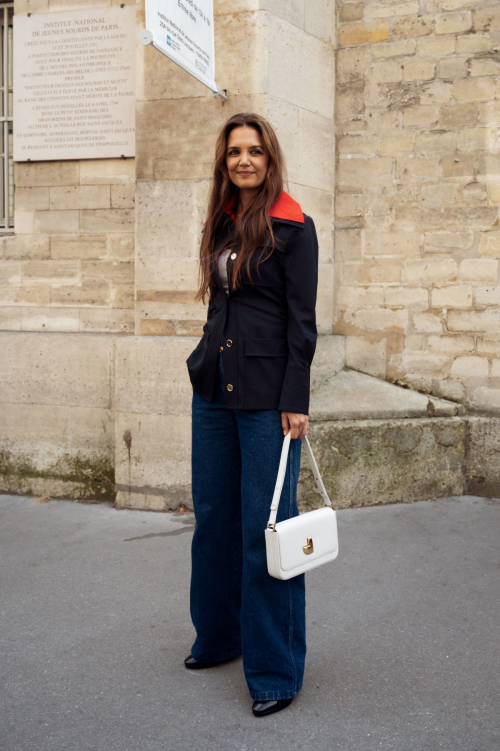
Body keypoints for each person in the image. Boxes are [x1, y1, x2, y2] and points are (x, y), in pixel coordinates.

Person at [184, 112, 319, 718]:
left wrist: (296, 397)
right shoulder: (222, 219)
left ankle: (275, 670)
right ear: (225, 160)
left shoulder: (294, 226)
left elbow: (302, 321)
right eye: (235, 151)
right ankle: (219, 637)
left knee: (268, 530)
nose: (244, 161)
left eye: (255, 152)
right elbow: (223, 302)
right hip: (214, 391)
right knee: (214, 517)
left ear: (270, 159)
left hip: (268, 399)